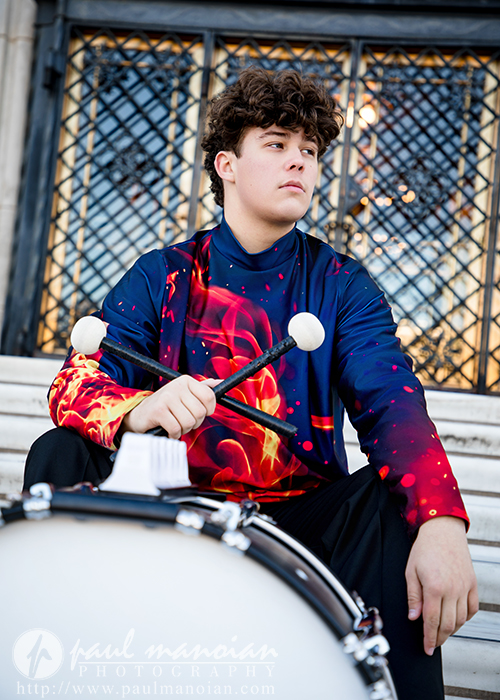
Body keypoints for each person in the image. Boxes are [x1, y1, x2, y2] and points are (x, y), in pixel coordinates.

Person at [24, 67, 478, 699]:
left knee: (391, 503)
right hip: (168, 515)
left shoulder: (343, 285)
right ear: (226, 166)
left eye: (310, 151)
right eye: (276, 143)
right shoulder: (163, 276)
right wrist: (140, 406)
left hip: (300, 534)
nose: (300, 162)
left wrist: (443, 524)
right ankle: (52, 668)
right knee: (59, 450)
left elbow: (392, 406)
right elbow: (74, 384)